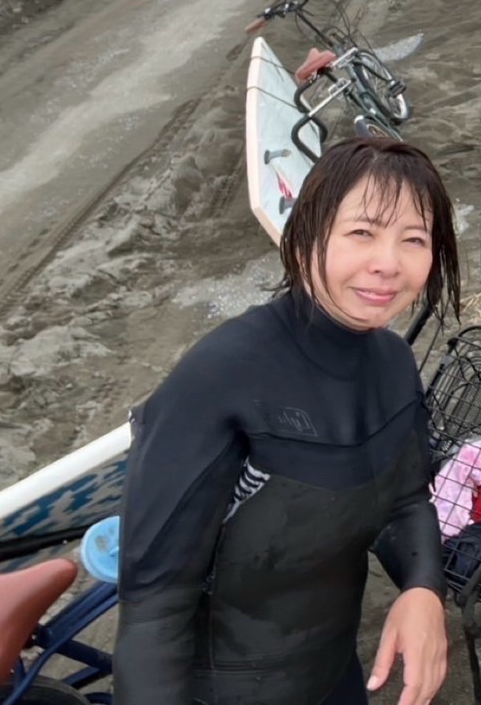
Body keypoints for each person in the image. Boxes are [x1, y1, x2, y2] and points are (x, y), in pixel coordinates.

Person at [116, 138, 459, 705]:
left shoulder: (393, 363)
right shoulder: (219, 379)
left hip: (335, 680)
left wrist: (424, 590)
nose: (388, 263)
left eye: (414, 240)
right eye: (362, 233)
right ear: (305, 238)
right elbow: (154, 610)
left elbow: (404, 501)